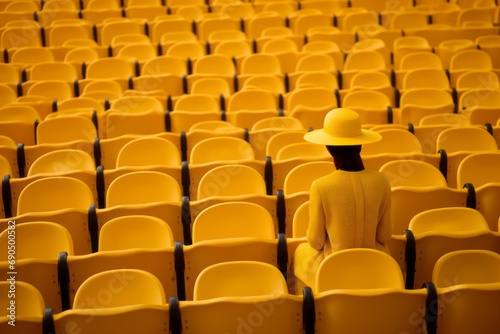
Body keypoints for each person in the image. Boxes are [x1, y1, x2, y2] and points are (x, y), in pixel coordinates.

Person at [293, 108, 393, 292]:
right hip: (374, 264)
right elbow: (384, 236)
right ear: (360, 146)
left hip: (333, 267)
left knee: (300, 252)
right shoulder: (383, 181)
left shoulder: (321, 185)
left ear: (329, 148)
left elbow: (316, 241)